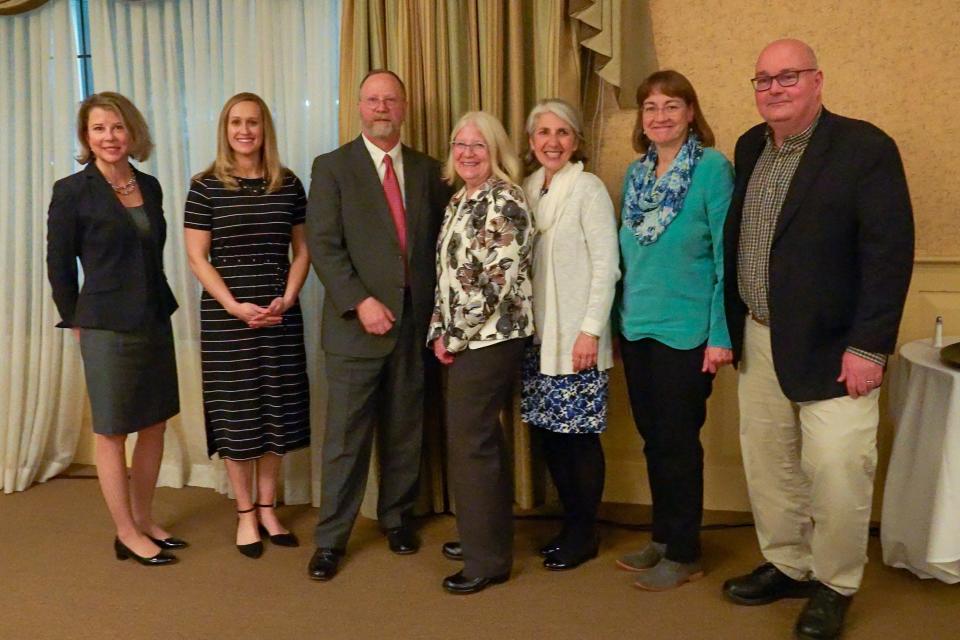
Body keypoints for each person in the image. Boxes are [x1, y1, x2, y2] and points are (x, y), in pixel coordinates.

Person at [721, 39, 914, 640]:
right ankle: (788, 563)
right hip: (760, 337)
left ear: (818, 81)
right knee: (771, 466)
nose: (774, 89)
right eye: (763, 80)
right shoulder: (750, 146)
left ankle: (834, 583)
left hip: (838, 349)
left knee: (837, 471)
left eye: (788, 77)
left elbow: (888, 254)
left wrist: (868, 346)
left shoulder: (865, 149)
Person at [304, 70, 450, 581]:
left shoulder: (430, 170)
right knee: (345, 439)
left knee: (405, 429)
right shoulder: (332, 167)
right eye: (373, 100)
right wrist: (360, 300)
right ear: (359, 107)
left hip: (413, 326)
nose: (382, 108)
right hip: (355, 327)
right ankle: (330, 540)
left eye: (391, 99)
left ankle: (397, 518)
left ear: (405, 107)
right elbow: (323, 244)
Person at [47, 92, 182, 566]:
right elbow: (59, 265)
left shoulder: (150, 184)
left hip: (153, 318)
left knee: (155, 423)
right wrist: (77, 319)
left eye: (117, 127)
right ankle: (125, 532)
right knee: (112, 432)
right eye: (99, 129)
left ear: (132, 132)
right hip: (104, 325)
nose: (109, 137)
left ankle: (144, 519)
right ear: (87, 137)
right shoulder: (72, 190)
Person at [614, 70, 734, 590]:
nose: (660, 116)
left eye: (671, 106)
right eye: (650, 107)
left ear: (690, 113)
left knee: (679, 443)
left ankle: (685, 551)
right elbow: (625, 258)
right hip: (636, 328)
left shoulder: (712, 170)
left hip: (687, 333)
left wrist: (721, 334)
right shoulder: (634, 176)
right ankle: (663, 537)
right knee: (654, 440)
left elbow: (727, 259)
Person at [184, 92, 310, 559]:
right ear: (225, 128)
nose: (244, 130)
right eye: (236, 122)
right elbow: (197, 258)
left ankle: (267, 507)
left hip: (279, 314)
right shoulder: (205, 186)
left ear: (265, 129)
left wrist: (290, 296)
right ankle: (243, 514)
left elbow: (304, 250)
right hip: (227, 319)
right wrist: (235, 306)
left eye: (253, 122)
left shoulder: (289, 183)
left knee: (276, 413)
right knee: (240, 418)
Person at [430, 111, 535, 595]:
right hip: (461, 337)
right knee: (477, 442)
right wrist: (438, 329)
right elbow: (446, 276)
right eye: (460, 144)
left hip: (493, 338)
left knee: (471, 444)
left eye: (478, 145)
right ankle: (483, 535)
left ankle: (487, 560)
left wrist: (453, 336)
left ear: (495, 151)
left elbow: (495, 281)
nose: (468, 152)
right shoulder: (458, 200)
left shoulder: (506, 200)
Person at [519, 99, 619, 571]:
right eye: (543, 133)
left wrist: (590, 332)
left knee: (579, 440)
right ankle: (568, 525)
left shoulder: (589, 189)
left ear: (576, 141)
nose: (552, 142)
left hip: (576, 341)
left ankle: (585, 532)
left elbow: (607, 267)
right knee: (551, 436)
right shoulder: (527, 189)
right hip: (539, 341)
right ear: (531, 141)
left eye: (562, 133)